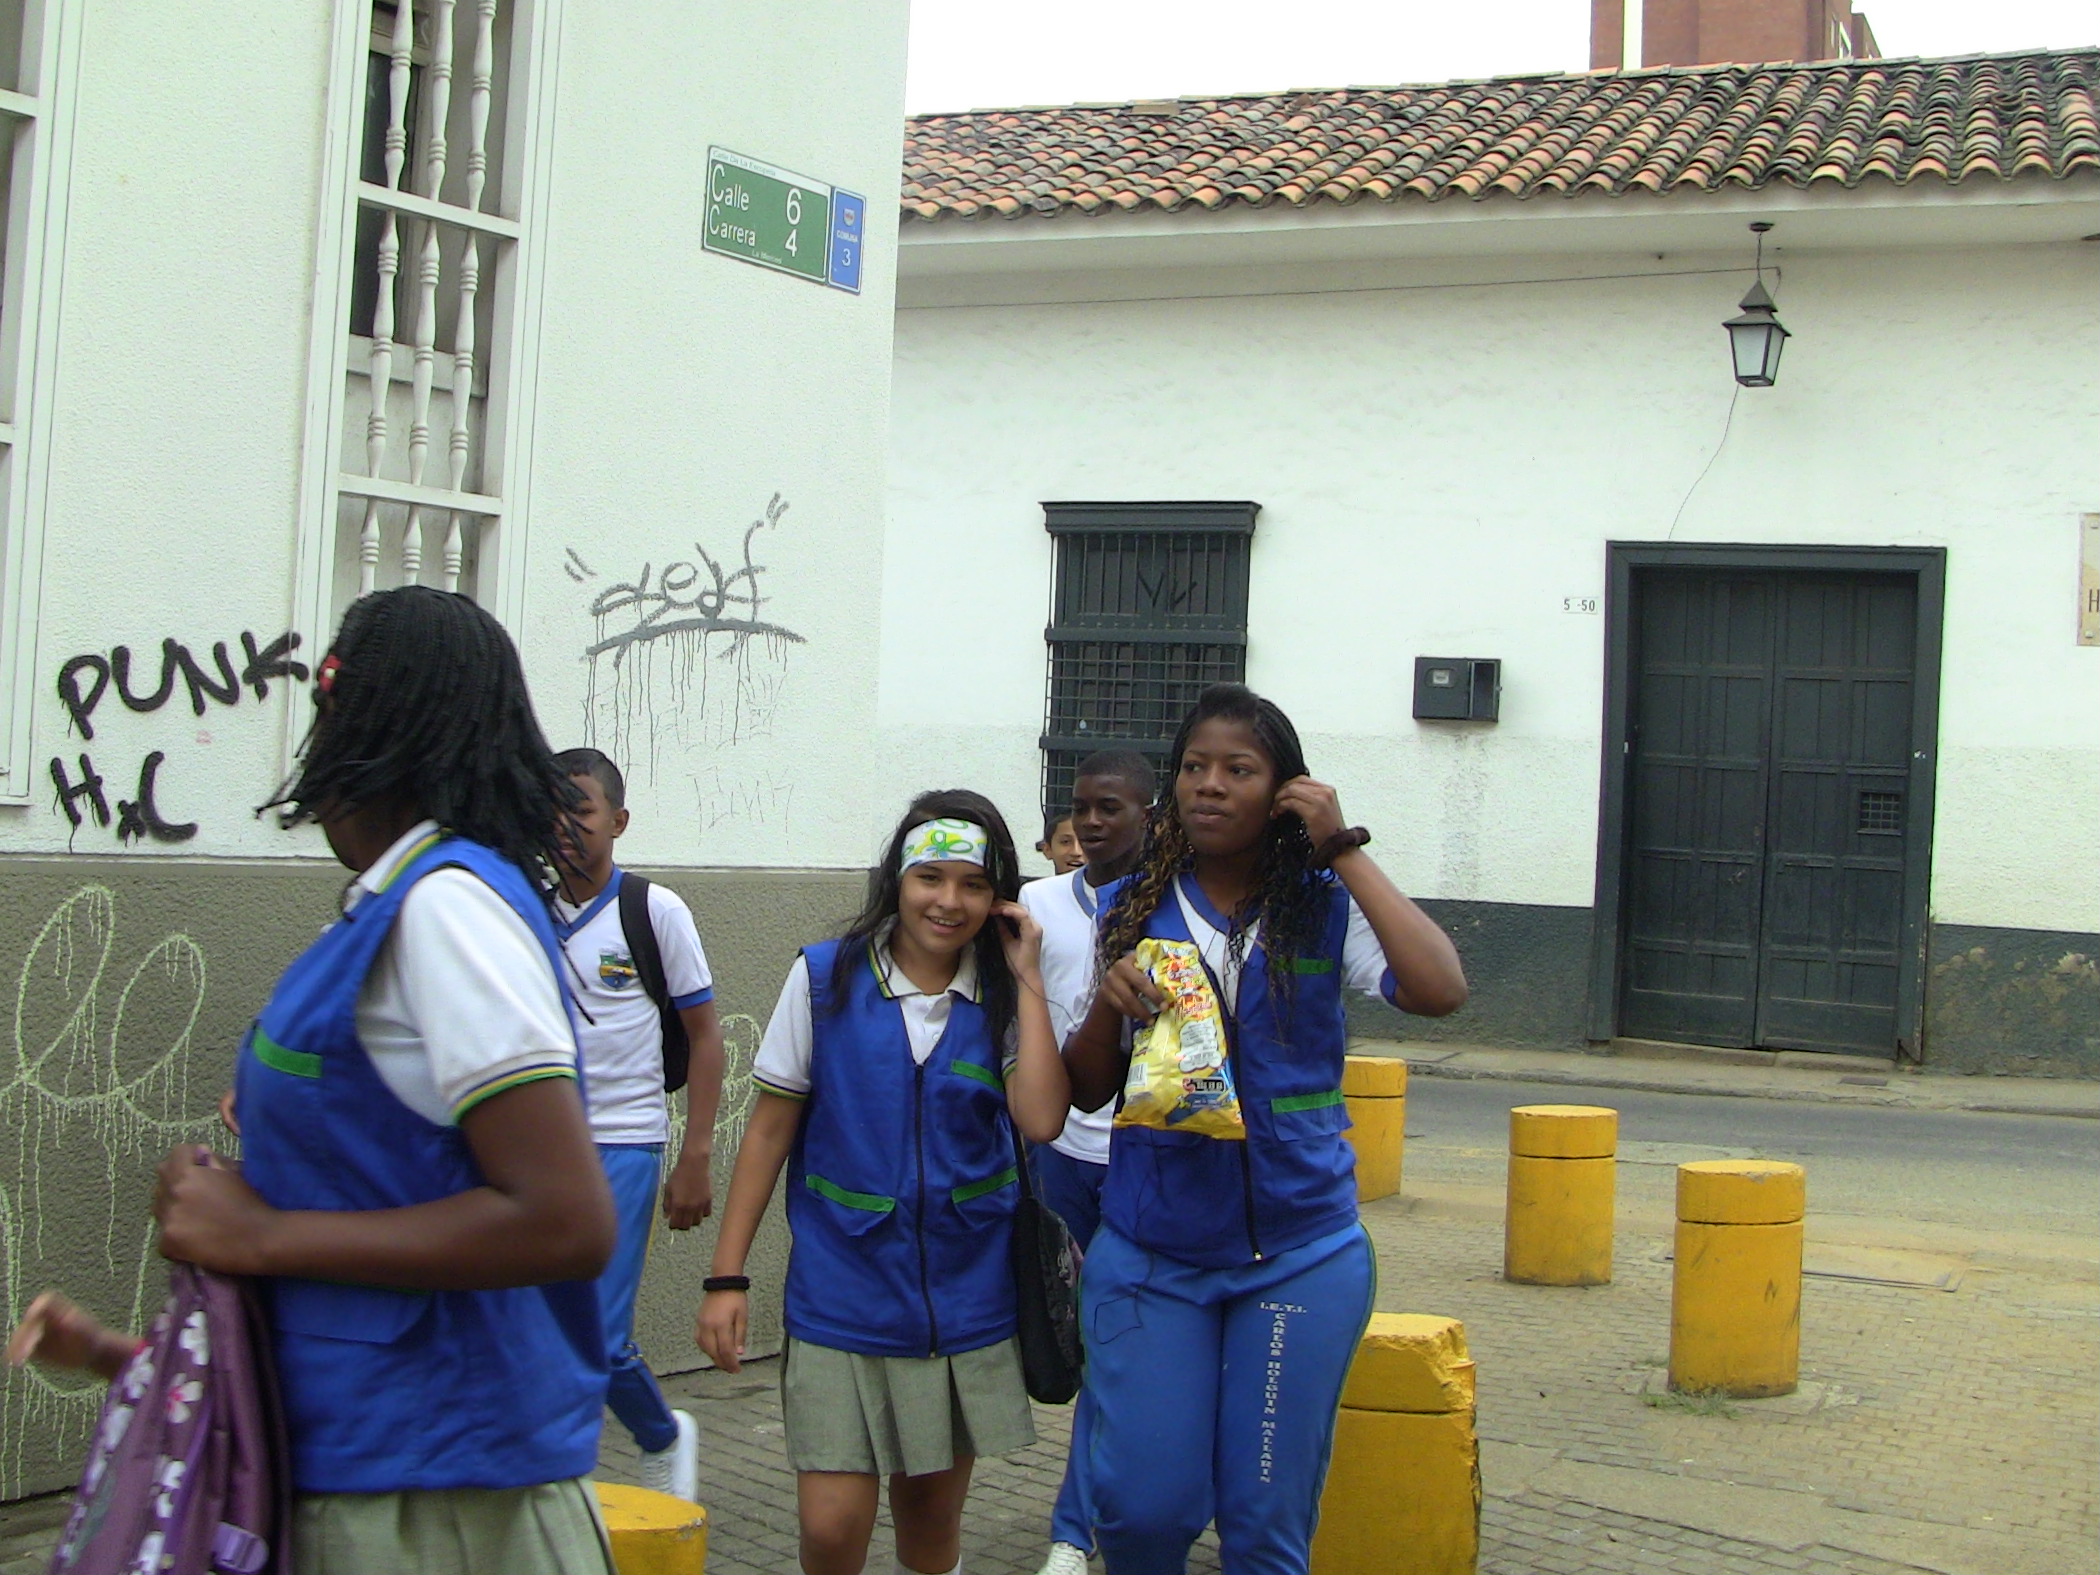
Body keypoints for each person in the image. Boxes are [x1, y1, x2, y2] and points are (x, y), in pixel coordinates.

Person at [152, 585, 619, 1575]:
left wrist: (260, 1234)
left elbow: (564, 1221)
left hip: (437, 1500)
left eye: (326, 705)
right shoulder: (394, 903)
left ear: (367, 727)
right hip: (372, 1456)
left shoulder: (449, 910)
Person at [1063, 684, 1468, 1575]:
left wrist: (1342, 847)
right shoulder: (1128, 904)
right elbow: (1086, 1090)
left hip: (1298, 1253)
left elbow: (1440, 988)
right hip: (1153, 1254)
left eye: (1237, 769)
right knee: (1141, 1513)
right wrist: (1105, 1003)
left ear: (1284, 791)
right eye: (1194, 767)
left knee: (1262, 1527)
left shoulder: (1323, 904)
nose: (1209, 784)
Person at [696, 790, 1071, 1575]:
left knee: (930, 1524)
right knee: (833, 1527)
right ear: (896, 880)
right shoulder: (825, 978)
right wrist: (727, 1277)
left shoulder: (1005, 994)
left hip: (966, 1304)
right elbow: (768, 1131)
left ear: (999, 896)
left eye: (973, 883)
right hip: (844, 1297)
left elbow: (1040, 1118)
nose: (949, 900)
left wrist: (1028, 975)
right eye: (929, 877)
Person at [553, 746, 726, 1503]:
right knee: (527, 1317)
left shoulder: (654, 912)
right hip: (537, 1147)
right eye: (551, 809)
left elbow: (706, 1037)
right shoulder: (521, 905)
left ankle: (660, 1436)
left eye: (581, 809)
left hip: (625, 1139)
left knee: (596, 1330)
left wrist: (695, 1154)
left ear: (618, 821)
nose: (565, 825)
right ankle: (546, 1478)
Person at [1019, 750, 1154, 1575]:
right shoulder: (1036, 907)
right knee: (1074, 1345)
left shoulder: (1174, 903)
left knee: (1112, 1342)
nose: (1092, 823)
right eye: (1082, 809)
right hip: (1063, 1156)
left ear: (1150, 816)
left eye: (1112, 808)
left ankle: (1073, 1529)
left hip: (1146, 1161)